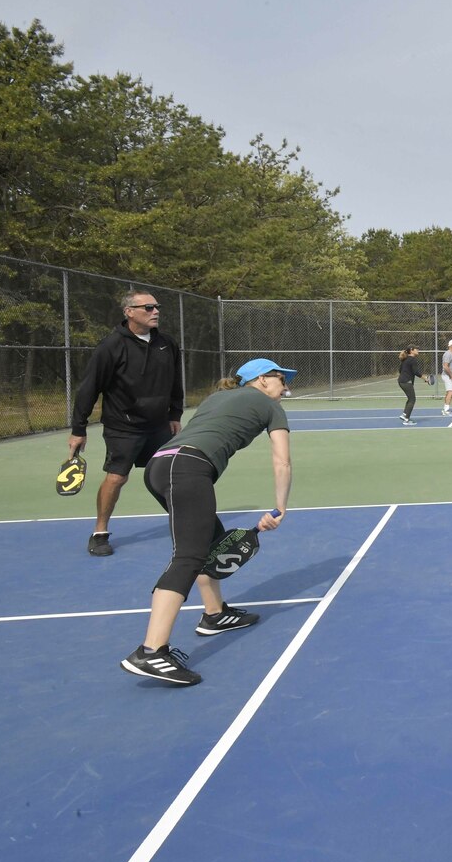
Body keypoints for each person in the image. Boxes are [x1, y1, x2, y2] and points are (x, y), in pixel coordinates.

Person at [119, 358, 294, 686]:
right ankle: (151, 651)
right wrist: (280, 507)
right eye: (281, 380)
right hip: (188, 469)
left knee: (210, 541)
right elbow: (281, 460)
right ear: (261, 380)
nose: (285, 387)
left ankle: (214, 614)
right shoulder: (269, 406)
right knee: (188, 557)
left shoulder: (216, 398)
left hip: (160, 466)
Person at [69, 290, 185, 557]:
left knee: (171, 474)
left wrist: (174, 414)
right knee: (117, 477)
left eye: (157, 306)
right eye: (147, 307)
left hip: (159, 426)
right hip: (123, 427)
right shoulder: (110, 347)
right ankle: (100, 533)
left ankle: (183, 524)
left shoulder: (167, 344)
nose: (155, 311)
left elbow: (174, 381)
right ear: (129, 312)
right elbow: (89, 388)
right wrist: (79, 428)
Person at [398, 345, 433, 424]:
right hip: (406, 382)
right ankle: (406, 419)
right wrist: (425, 378)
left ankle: (405, 414)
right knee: (412, 399)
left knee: (410, 399)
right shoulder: (412, 360)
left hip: (401, 381)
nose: (418, 350)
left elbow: (400, 370)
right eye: (416, 349)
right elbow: (416, 372)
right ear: (411, 350)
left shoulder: (405, 359)